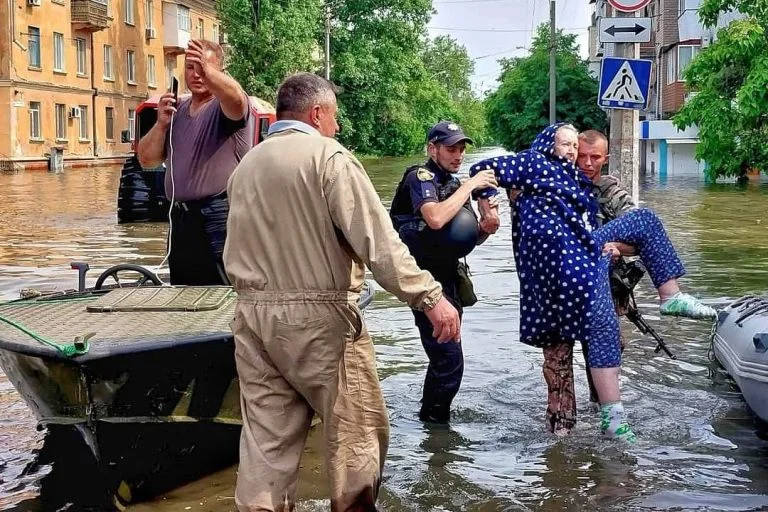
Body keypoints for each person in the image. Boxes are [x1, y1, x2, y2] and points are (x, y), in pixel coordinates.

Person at [223, 72, 462, 511]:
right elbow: (379, 241)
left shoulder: (246, 167)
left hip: (253, 318)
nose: (338, 126)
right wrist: (429, 297)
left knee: (265, 446)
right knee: (357, 435)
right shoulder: (329, 157)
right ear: (317, 113)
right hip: (322, 318)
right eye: (333, 116)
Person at [470, 123, 709, 442]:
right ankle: (561, 442)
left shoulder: (606, 189)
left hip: (597, 285)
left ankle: (608, 419)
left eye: (585, 153)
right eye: (571, 149)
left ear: (604, 158)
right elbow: (485, 171)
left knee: (605, 338)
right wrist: (489, 209)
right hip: (557, 286)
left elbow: (639, 242)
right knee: (559, 371)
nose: (580, 158)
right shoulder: (532, 167)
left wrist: (614, 248)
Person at [389, 121, 500, 423]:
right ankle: (436, 433)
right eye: (451, 148)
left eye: (462, 149)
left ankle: (431, 423)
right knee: (450, 360)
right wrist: (470, 184)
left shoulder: (455, 186)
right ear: (432, 148)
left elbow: (463, 240)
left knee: (444, 358)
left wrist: (486, 228)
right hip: (423, 282)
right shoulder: (419, 177)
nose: (458, 155)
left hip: (449, 278)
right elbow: (435, 218)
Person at [137, 39, 254, 285]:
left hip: (219, 214)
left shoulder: (226, 107)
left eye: (204, 68)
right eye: (191, 68)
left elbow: (236, 98)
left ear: (219, 71)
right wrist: (161, 124)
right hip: (180, 218)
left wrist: (209, 72)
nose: (197, 74)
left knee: (222, 290)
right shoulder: (176, 110)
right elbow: (146, 160)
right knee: (182, 291)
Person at [577, 129, 716, 319]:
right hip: (574, 263)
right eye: (582, 156)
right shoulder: (561, 188)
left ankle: (671, 296)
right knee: (645, 219)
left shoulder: (614, 196)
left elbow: (644, 241)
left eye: (595, 157)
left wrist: (615, 247)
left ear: (606, 159)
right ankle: (670, 295)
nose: (587, 163)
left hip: (605, 282)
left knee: (612, 344)